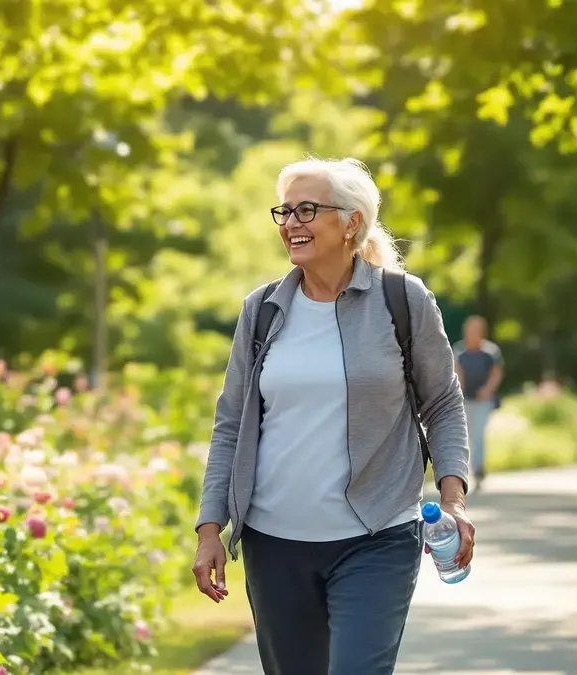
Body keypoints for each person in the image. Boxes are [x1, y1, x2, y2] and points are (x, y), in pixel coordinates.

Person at [191, 157, 474, 675]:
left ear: (351, 223)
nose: (291, 222)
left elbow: (443, 403)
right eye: (284, 211)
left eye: (307, 209)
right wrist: (211, 528)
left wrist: (452, 500)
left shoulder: (402, 300)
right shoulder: (264, 309)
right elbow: (231, 422)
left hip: (378, 536)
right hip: (274, 544)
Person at [453, 316, 504, 489]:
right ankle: (461, 471)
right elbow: (456, 372)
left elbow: (496, 374)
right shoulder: (459, 351)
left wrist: (487, 390)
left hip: (483, 401)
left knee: (478, 435)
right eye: (469, 330)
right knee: (463, 436)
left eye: (476, 331)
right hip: (464, 401)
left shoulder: (490, 352)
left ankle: (478, 470)